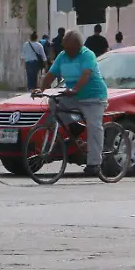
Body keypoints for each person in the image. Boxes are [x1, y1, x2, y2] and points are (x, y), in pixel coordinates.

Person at [38, 29, 109, 176]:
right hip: (74, 96)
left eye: (71, 49)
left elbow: (86, 75)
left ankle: (94, 163)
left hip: (93, 97)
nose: (67, 52)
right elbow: (51, 74)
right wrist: (41, 89)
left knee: (94, 126)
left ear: (79, 46)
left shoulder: (87, 55)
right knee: (54, 102)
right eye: (65, 48)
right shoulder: (62, 56)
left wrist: (75, 89)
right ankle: (73, 127)